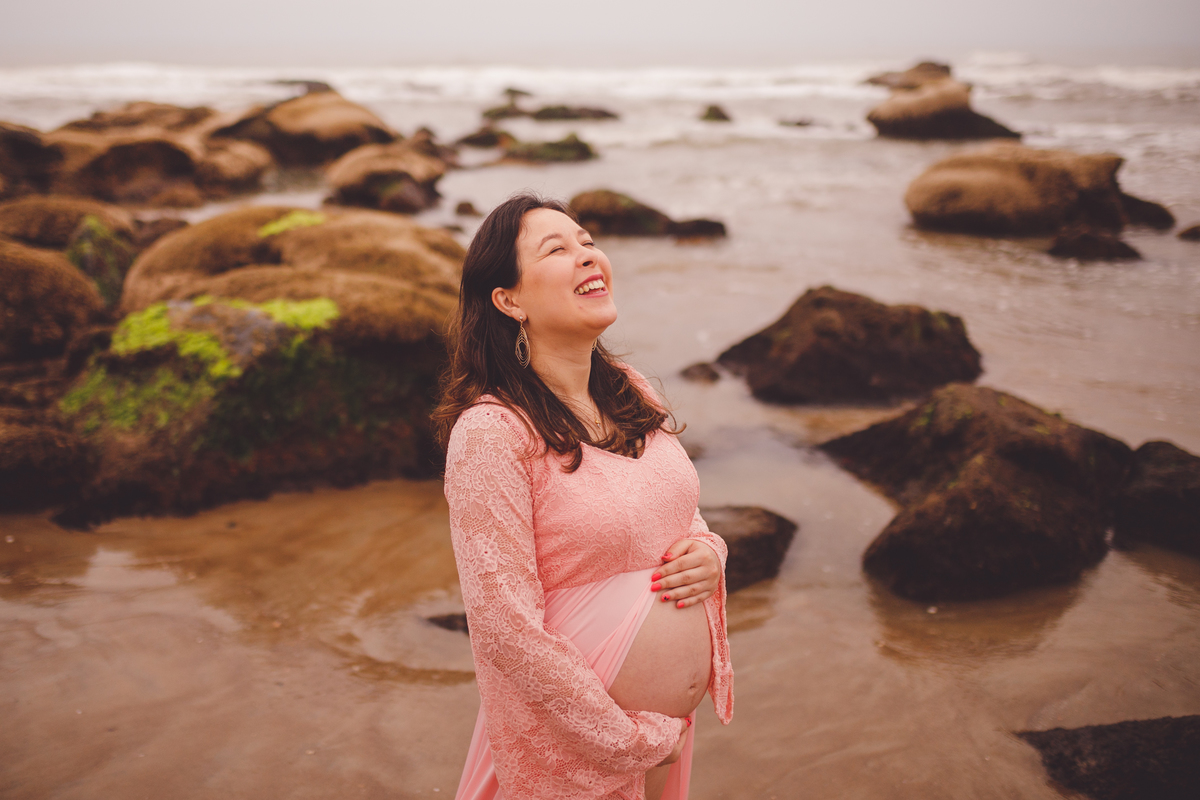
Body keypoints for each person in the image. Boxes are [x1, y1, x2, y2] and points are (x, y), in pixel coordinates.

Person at [433, 193, 734, 800]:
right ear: (508, 299)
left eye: (588, 241)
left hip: (660, 736)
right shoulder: (492, 434)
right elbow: (502, 625)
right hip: (579, 744)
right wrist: (627, 739)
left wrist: (709, 550)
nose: (586, 255)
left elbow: (676, 513)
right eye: (556, 249)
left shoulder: (632, 389)